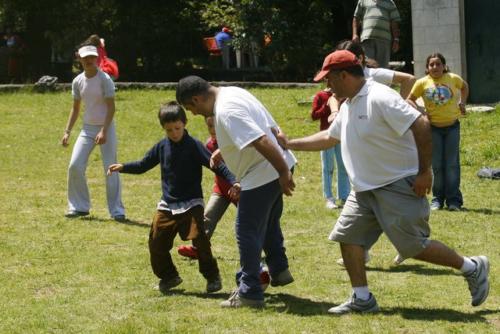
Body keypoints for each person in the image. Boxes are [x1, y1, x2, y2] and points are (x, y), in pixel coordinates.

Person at [279, 50, 489, 314]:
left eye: (329, 79)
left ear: (344, 75)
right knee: (348, 237)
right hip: (364, 188)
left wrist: (425, 172)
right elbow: (329, 138)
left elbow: (421, 123)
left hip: (396, 183)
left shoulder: (379, 97)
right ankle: (362, 298)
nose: (327, 85)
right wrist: (289, 144)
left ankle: (471, 266)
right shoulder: (349, 103)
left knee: (414, 247)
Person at [176, 75, 297, 308]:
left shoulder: (226, 110)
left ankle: (249, 291)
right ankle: (279, 270)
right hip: (272, 167)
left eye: (191, 108)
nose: (193, 114)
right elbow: (267, 125)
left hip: (264, 172)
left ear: (196, 98)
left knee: (246, 231)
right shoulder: (232, 92)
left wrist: (282, 171)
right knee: (269, 222)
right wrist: (227, 149)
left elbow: (260, 139)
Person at [107, 101, 239, 294]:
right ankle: (169, 276)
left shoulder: (194, 146)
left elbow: (216, 165)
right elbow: (144, 164)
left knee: (200, 240)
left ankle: (212, 277)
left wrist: (233, 180)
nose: (174, 133)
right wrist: (123, 167)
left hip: (192, 203)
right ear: (164, 129)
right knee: (155, 240)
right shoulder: (161, 147)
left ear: (184, 123)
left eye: (177, 128)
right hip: (168, 204)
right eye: (169, 130)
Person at [335, 39, 416, 266]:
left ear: (359, 59)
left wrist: (403, 104)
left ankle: (410, 246)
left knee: (389, 210)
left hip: (386, 147)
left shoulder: (374, 76)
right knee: (370, 208)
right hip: (364, 145)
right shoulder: (345, 81)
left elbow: (408, 79)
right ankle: (363, 251)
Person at [61, 44, 125, 221]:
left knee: (111, 168)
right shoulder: (77, 81)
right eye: (85, 57)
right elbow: (75, 109)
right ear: (79, 58)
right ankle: (79, 207)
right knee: (75, 165)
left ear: (97, 58)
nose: (89, 60)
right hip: (87, 129)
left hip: (106, 127)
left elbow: (111, 107)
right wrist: (67, 131)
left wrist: (104, 131)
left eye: (92, 57)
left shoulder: (105, 79)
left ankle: (117, 211)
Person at [407, 53, 469, 211]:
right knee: (437, 166)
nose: (435, 67)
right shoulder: (422, 83)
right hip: (433, 129)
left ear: (444, 66)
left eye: (438, 64)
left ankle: (454, 201)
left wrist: (462, 103)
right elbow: (409, 99)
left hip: (452, 127)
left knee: (452, 165)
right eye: (431, 65)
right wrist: (421, 111)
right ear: (427, 68)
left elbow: (464, 87)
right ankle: (437, 200)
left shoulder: (453, 78)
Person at [177, 116, 239, 259]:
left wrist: (238, 184)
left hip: (241, 189)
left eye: (216, 126)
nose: (213, 130)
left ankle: (267, 249)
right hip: (221, 190)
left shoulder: (236, 144)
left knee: (249, 223)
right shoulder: (209, 145)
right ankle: (197, 248)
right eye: (210, 126)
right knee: (207, 217)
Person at [311, 87, 350, 209]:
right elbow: (314, 115)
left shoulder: (344, 93)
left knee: (343, 166)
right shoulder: (321, 95)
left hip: (341, 136)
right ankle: (329, 197)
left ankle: (344, 197)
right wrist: (327, 106)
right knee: (328, 167)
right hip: (326, 135)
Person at [337, 39, 415, 98]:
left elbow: (409, 79)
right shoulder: (343, 78)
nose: (343, 65)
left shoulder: (373, 74)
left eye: (347, 61)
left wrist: (400, 104)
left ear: (360, 58)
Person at [352, 0, 401, 69]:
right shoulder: (363, 1)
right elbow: (356, 18)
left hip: (384, 40)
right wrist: (354, 34)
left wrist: (396, 40)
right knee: (367, 67)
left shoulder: (390, 2)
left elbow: (394, 23)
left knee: (383, 69)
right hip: (367, 39)